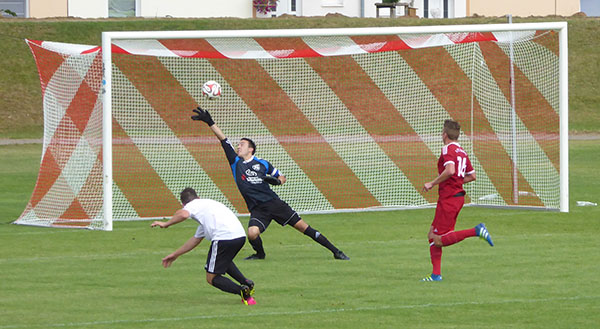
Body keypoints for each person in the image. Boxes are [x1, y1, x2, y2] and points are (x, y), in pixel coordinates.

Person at [191, 107, 350, 261]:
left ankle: (336, 251)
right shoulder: (236, 162)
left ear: (251, 149)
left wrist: (277, 181)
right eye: (238, 144)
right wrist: (209, 122)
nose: (238, 146)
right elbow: (224, 140)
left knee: (304, 228)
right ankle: (260, 254)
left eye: (242, 144)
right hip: (258, 209)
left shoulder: (263, 164)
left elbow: (282, 177)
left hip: (274, 204)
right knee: (252, 233)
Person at [151, 188, 257, 305]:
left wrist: (166, 224)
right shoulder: (208, 208)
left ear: (183, 204)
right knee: (223, 261)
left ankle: (242, 291)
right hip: (239, 236)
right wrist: (175, 255)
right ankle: (247, 283)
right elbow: (195, 240)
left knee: (211, 278)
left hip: (223, 237)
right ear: (198, 197)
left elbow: (184, 214)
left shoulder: (192, 206)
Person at [421, 119, 494, 282]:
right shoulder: (462, 151)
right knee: (431, 235)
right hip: (453, 198)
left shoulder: (448, 149)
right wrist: (455, 182)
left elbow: (450, 170)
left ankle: (476, 231)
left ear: (445, 134)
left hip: (449, 200)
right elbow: (472, 176)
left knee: (439, 240)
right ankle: (435, 275)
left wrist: (432, 183)